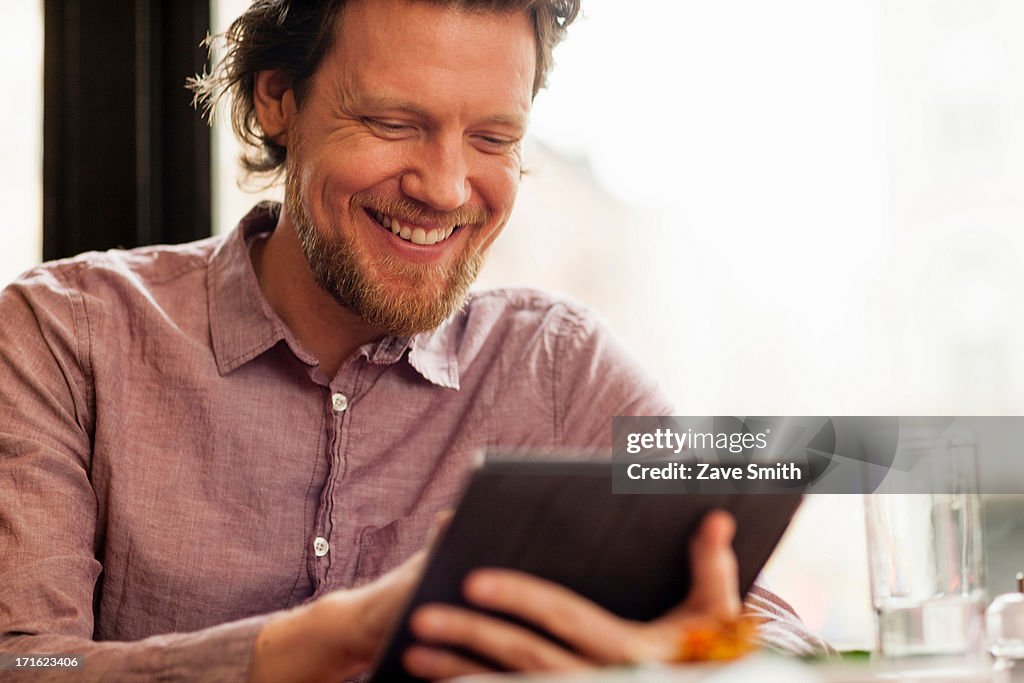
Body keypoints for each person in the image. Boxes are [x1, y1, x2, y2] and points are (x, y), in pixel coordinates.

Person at [0, 1, 829, 680]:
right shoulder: (63, 337)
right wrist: (321, 641)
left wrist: (688, 661)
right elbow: (29, 664)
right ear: (277, 97)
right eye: (395, 122)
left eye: (493, 139)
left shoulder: (560, 368)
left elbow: (784, 644)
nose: (444, 187)